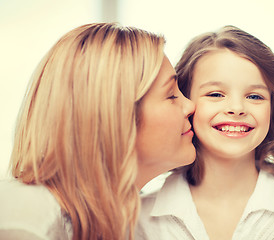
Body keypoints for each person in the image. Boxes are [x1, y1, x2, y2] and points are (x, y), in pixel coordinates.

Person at [0, 22, 196, 240]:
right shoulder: (26, 221)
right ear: (116, 115)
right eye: (171, 95)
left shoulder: (127, 224)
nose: (190, 105)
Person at [136, 26, 274, 239]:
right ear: (186, 103)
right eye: (216, 94)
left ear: (273, 110)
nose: (237, 108)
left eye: (255, 96)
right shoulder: (139, 216)